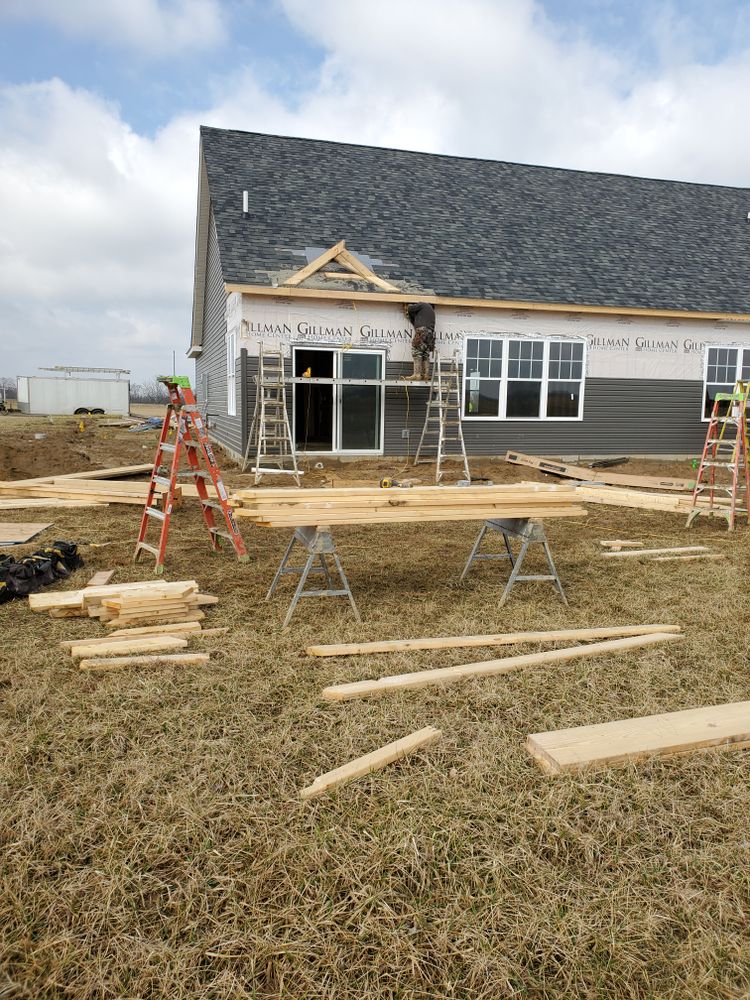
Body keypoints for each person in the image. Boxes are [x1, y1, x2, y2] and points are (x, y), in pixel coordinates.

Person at [404, 302, 436, 381]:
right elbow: (414, 321)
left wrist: (407, 307)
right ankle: (425, 375)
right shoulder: (429, 312)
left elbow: (410, 308)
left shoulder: (423, 304)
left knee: (416, 351)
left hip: (422, 332)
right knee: (425, 354)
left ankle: (417, 375)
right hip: (430, 335)